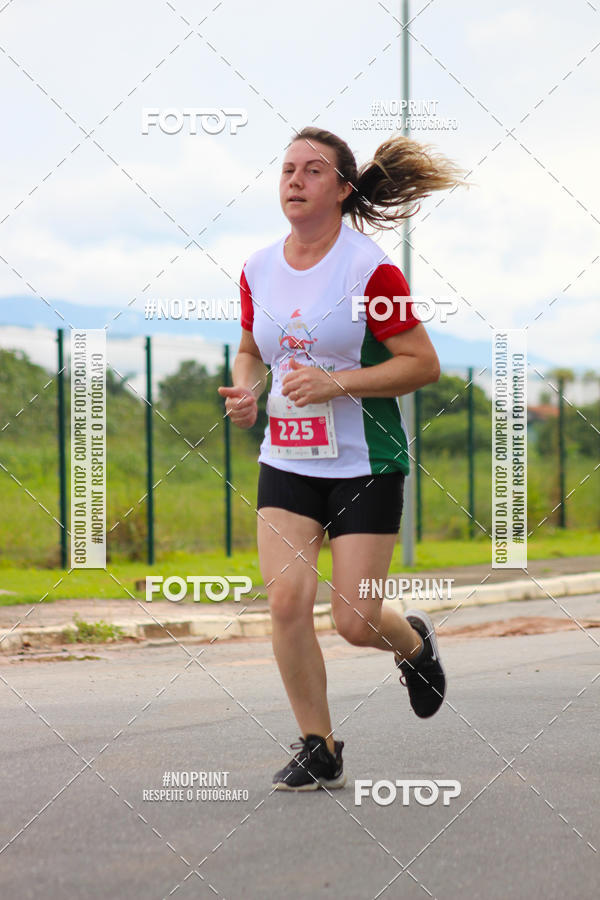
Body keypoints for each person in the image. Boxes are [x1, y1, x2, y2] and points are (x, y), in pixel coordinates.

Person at [218, 126, 466, 791]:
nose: (294, 179)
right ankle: (318, 744)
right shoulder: (257, 267)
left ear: (342, 188)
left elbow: (423, 363)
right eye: (286, 168)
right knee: (287, 603)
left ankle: (411, 643)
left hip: (365, 460)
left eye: (312, 170)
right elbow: (251, 347)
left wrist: (338, 383)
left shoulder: (369, 270)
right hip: (289, 459)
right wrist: (246, 388)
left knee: (356, 621)